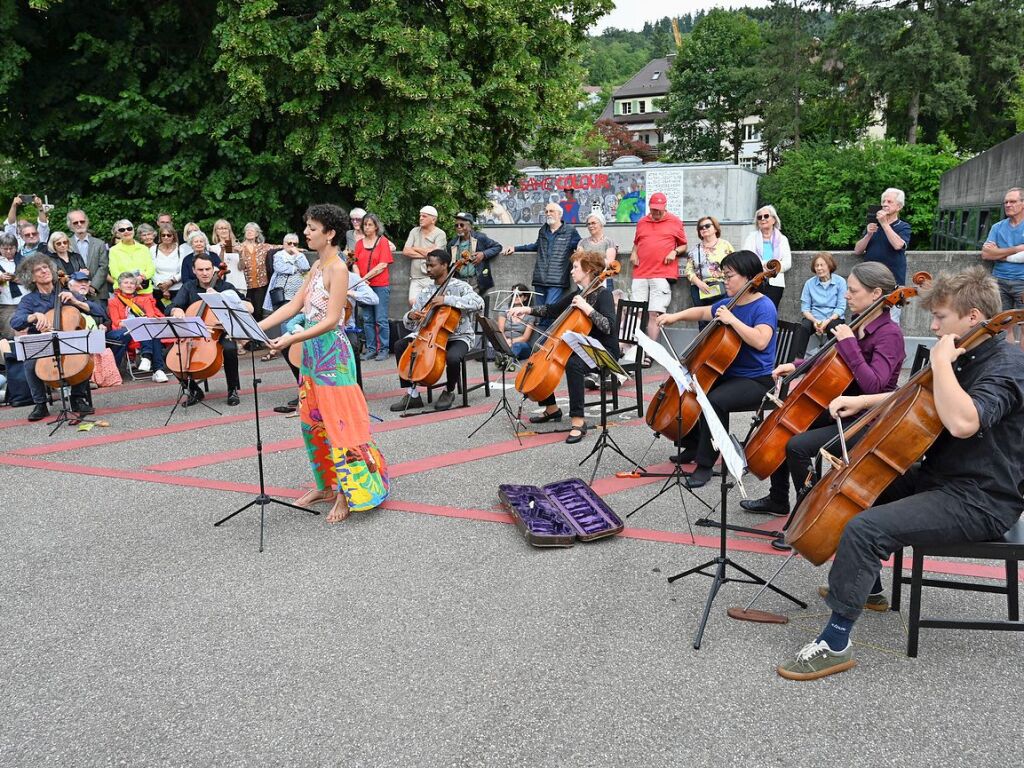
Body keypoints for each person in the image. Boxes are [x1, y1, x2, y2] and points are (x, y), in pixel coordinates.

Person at [777, 267, 1024, 680]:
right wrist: (866, 402)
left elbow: (965, 421)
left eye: (940, 317)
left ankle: (835, 642)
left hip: (982, 498)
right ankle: (867, 589)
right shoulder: (970, 349)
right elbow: (923, 394)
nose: (932, 325)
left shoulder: (1009, 367)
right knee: (863, 490)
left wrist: (943, 361)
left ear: (974, 316)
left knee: (865, 528)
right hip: (942, 478)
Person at [259, 203, 389, 522]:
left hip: (334, 356)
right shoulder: (316, 267)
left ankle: (347, 494)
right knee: (312, 423)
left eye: (312, 228)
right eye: (307, 227)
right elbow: (295, 305)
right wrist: (254, 329)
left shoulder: (338, 269)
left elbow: (332, 320)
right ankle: (326, 485)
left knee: (340, 425)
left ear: (330, 234)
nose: (306, 232)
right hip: (312, 355)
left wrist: (292, 338)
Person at [741, 262, 904, 517]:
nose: (847, 295)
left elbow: (875, 385)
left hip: (867, 420)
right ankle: (778, 499)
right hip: (841, 409)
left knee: (798, 446)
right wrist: (795, 365)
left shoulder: (889, 334)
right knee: (788, 424)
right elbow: (830, 358)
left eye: (853, 290)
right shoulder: (858, 323)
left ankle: (808, 515)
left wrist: (849, 343)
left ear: (876, 294)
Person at [656, 250, 778, 488]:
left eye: (729, 275)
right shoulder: (728, 303)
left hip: (757, 380)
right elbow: (702, 311)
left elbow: (761, 340)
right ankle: (692, 444)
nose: (725, 280)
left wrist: (732, 320)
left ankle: (706, 464)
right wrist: (674, 317)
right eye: (724, 275)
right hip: (729, 374)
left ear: (748, 277)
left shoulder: (764, 306)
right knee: (689, 385)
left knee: (714, 400)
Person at [506, 250, 619, 444]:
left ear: (589, 270)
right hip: (580, 346)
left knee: (573, 364)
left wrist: (587, 308)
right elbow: (552, 309)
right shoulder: (578, 294)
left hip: (602, 350)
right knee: (544, 357)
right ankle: (551, 409)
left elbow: (608, 326)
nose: (571, 271)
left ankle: (578, 421)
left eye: (575, 267)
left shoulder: (604, 295)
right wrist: (526, 309)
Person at [10, 255, 105, 420]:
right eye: (38, 270)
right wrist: (33, 317)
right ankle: (40, 404)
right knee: (30, 363)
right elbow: (16, 322)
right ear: (32, 278)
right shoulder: (29, 301)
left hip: (69, 342)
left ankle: (77, 398)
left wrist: (77, 302)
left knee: (84, 356)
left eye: (46, 267)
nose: (44, 271)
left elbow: (99, 311)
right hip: (44, 345)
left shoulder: (67, 294)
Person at [390, 249, 485, 413]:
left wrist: (447, 300)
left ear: (445, 265)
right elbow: (411, 325)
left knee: (453, 357)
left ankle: (449, 391)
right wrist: (412, 316)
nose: (428, 269)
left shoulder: (461, 286)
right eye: (427, 265)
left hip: (458, 336)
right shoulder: (426, 291)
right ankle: (412, 395)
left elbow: (479, 303)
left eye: (432, 265)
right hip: (428, 337)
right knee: (400, 345)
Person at [170, 254, 244, 407]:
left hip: (220, 333)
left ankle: (232, 389)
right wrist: (175, 310)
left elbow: (246, 306)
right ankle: (194, 390)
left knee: (230, 349)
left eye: (208, 269)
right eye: (200, 269)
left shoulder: (225, 287)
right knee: (170, 356)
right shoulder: (188, 287)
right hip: (194, 333)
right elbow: (171, 306)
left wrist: (221, 299)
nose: (204, 273)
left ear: (214, 269)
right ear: (194, 270)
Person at [501, 202, 581, 326]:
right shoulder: (543, 230)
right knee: (538, 313)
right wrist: (516, 248)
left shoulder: (570, 231)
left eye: (551, 211)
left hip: (557, 280)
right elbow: (536, 246)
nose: (548, 214)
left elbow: (581, 246)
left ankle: (544, 343)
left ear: (560, 214)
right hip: (540, 278)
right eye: (546, 211)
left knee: (549, 312)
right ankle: (541, 342)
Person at [630, 191, 686, 345]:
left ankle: (650, 350)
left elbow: (683, 245)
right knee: (636, 311)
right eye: (653, 209)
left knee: (655, 313)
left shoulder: (675, 221)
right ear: (649, 207)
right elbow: (637, 242)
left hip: (661, 273)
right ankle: (635, 348)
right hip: (640, 272)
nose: (656, 212)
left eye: (659, 209)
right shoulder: (642, 222)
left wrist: (674, 252)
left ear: (665, 206)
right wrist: (634, 253)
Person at [106, 271, 169, 382]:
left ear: (136, 286)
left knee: (150, 330)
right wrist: (135, 323)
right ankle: (157, 368)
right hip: (126, 332)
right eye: (126, 283)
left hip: (145, 331)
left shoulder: (144, 299)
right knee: (148, 330)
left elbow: (149, 317)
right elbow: (117, 322)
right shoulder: (113, 302)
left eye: (132, 283)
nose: (129, 285)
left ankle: (149, 360)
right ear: (120, 286)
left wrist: (139, 323)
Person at [981, 187, 1024, 347]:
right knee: (1004, 326)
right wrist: (1016, 249)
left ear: (1023, 204)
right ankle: (1008, 364)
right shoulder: (997, 227)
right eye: (1006, 202)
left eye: (1012, 201)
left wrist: (999, 254)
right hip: (999, 281)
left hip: (1022, 282)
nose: (1008, 205)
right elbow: (986, 254)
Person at [353, 213, 394, 361]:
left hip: (380, 285)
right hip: (365, 285)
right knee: (367, 318)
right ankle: (371, 349)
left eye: (370, 224)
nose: (367, 227)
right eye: (365, 224)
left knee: (381, 319)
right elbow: (355, 263)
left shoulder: (383, 242)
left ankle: (383, 349)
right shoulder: (358, 244)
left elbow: (382, 265)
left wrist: (364, 278)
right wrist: (360, 280)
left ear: (376, 226)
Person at [794, 252, 848, 357]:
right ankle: (797, 359)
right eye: (816, 265)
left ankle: (835, 359)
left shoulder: (840, 281)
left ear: (829, 265)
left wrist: (827, 321)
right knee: (803, 327)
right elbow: (805, 309)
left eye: (822, 265)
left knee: (834, 327)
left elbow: (841, 307)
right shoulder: (809, 283)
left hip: (833, 317)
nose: (818, 268)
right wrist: (815, 321)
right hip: (814, 317)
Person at [684, 215, 733, 324]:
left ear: (715, 228)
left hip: (722, 288)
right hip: (700, 289)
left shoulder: (726, 245)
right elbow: (688, 270)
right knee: (703, 322)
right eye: (701, 227)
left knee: (721, 320)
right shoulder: (694, 250)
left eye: (707, 226)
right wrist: (699, 283)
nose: (704, 229)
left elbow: (734, 265)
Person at [742, 205, 791, 308]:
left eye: (766, 216)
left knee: (770, 310)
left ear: (773, 219)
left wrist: (773, 268)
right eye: (759, 217)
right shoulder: (751, 238)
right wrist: (765, 265)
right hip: (755, 281)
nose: (762, 219)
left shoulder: (782, 239)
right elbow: (747, 258)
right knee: (753, 309)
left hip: (775, 282)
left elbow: (787, 263)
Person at [448, 212, 502, 296]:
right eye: (456, 225)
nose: (458, 227)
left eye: (461, 225)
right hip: (459, 281)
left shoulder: (480, 238)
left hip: (476, 281)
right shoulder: (452, 243)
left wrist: (483, 254)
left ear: (469, 227)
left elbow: (497, 247)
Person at [402, 205, 447, 306]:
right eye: (420, 216)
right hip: (415, 277)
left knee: (431, 304)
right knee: (413, 303)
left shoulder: (440, 234)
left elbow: (436, 255)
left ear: (433, 219)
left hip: (432, 278)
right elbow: (406, 251)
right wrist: (428, 254)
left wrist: (415, 248)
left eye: (424, 216)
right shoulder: (414, 231)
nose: (421, 218)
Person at [67, 209, 109, 299]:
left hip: (98, 293)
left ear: (86, 222)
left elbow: (104, 267)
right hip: (74, 294)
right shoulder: (66, 244)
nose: (79, 224)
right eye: (75, 222)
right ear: (70, 225)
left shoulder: (99, 243)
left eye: (82, 221)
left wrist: (93, 286)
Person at [107, 220, 155, 296]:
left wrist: (142, 278)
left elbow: (151, 269)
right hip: (122, 292)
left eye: (129, 228)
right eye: (122, 230)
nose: (126, 231)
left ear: (133, 230)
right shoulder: (113, 250)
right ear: (118, 233)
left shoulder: (144, 248)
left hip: (143, 291)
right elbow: (114, 272)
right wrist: (131, 282)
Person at [238, 222, 273, 319]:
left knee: (258, 312)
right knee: (246, 312)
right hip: (244, 284)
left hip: (260, 284)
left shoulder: (263, 247)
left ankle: (259, 332)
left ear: (257, 234)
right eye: (247, 230)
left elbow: (280, 246)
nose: (249, 232)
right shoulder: (239, 247)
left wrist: (296, 248)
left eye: (252, 230)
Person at [579, 211, 618, 286]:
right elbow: (579, 261)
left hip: (604, 279)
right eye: (589, 224)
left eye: (593, 223)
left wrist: (589, 260)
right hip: (586, 280)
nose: (590, 226)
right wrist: (599, 261)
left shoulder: (609, 242)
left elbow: (609, 263)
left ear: (601, 224)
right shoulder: (582, 243)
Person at [151, 223, 185, 305]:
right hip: (157, 289)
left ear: (173, 236)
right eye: (163, 235)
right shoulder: (153, 250)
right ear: (160, 236)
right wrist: (160, 285)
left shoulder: (181, 250)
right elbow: (151, 269)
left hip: (176, 288)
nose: (166, 237)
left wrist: (171, 281)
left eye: (169, 235)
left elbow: (182, 270)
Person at [499, 283, 534, 360]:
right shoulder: (505, 308)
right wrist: (505, 342)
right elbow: (500, 330)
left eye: (519, 295)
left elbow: (525, 337)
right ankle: (506, 358)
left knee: (517, 346)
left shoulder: (530, 314)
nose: (515, 297)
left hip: (521, 344)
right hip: (505, 341)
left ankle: (506, 360)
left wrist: (511, 342)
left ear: (525, 298)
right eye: (513, 294)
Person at [0, 233, 22, 339]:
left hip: (25, 303)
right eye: (5, 249)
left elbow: (32, 280)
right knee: (9, 336)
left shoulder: (24, 260)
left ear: (16, 247)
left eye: (11, 248)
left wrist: (15, 278)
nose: (8, 251)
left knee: (26, 333)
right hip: (5, 304)